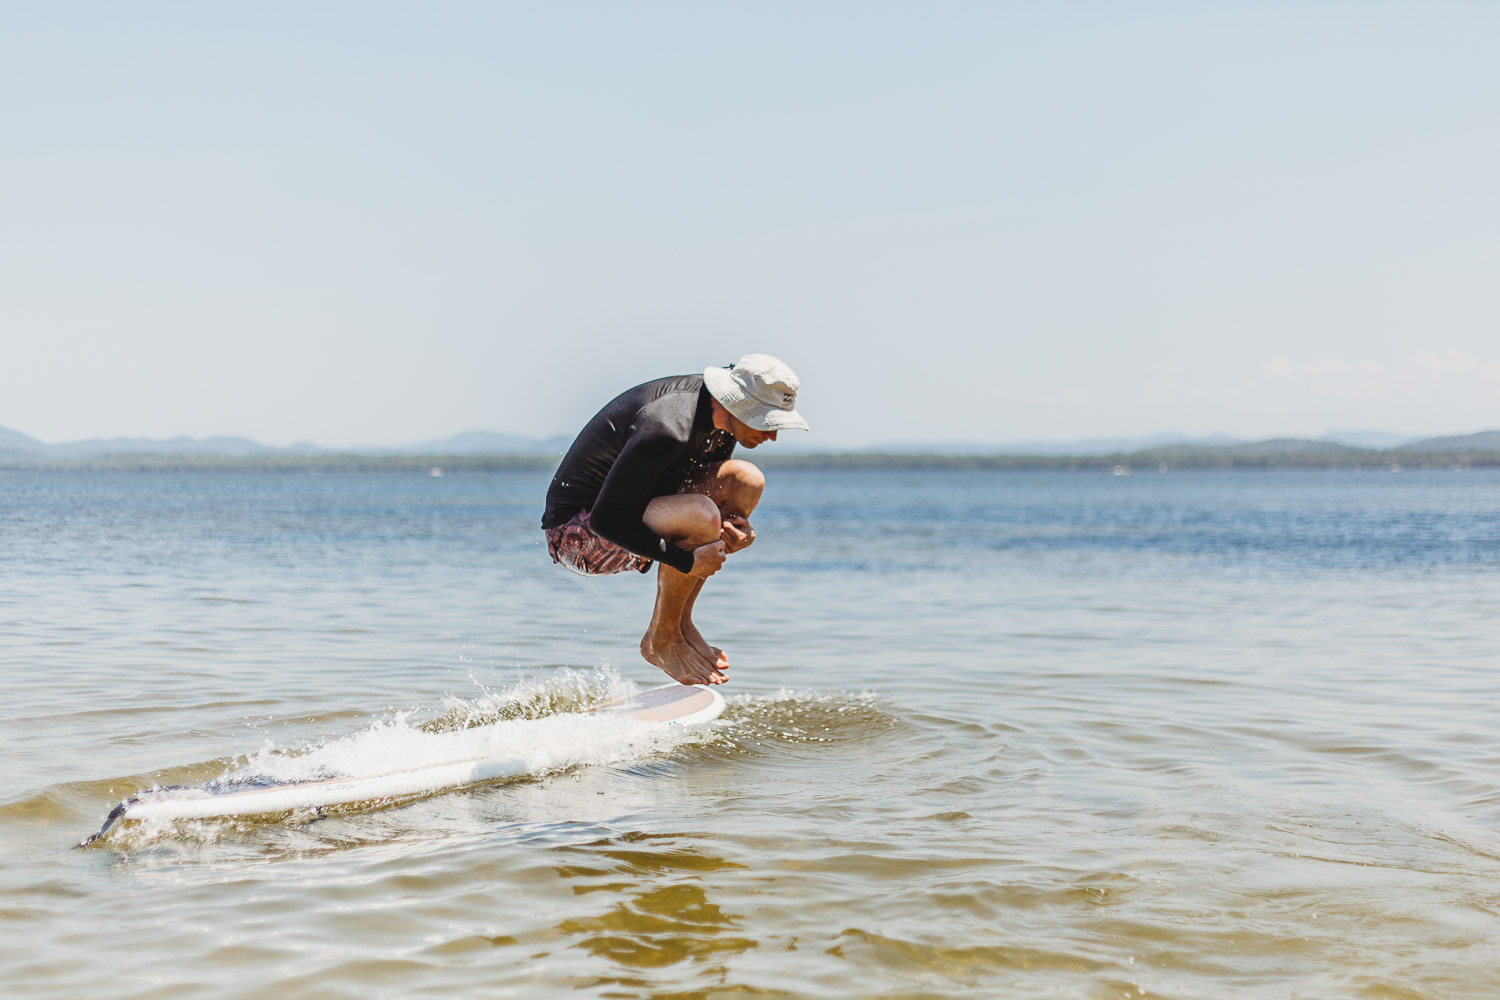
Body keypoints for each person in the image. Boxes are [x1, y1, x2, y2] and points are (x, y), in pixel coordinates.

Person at [541, 354, 808, 686]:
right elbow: (607, 520)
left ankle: (679, 625)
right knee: (701, 515)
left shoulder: (721, 425)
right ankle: (662, 639)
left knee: (746, 480)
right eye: (767, 422)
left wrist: (739, 532)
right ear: (735, 404)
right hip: (578, 534)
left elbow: (706, 495)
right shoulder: (668, 427)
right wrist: (683, 560)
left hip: (637, 512)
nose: (773, 436)